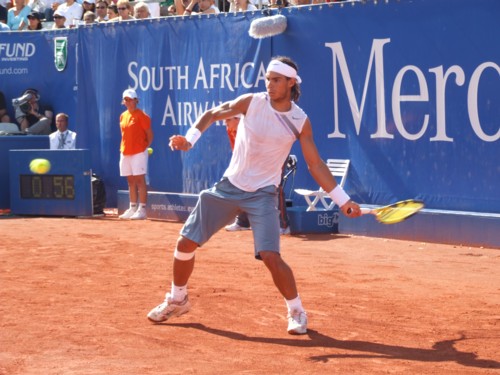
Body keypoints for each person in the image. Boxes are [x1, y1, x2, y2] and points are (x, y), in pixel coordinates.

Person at [147, 56, 361, 335]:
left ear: (290, 83)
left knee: (271, 256)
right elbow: (213, 113)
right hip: (229, 187)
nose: (269, 85)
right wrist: (190, 139)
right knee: (185, 244)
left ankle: (296, 311)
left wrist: (343, 200)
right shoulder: (252, 102)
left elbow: (315, 165)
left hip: (262, 195)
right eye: (268, 79)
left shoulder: (300, 120)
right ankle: (178, 299)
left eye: (276, 80)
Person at [118, 88, 153, 220]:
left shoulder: (142, 116)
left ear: (136, 101)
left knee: (139, 180)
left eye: (131, 100)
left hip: (139, 152)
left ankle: (142, 209)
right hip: (125, 152)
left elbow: (150, 135)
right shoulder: (122, 116)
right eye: (126, 100)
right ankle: (132, 207)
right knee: (130, 181)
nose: (128, 102)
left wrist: (144, 148)